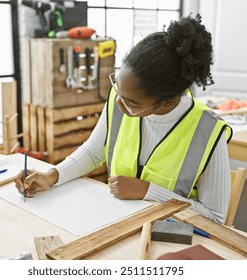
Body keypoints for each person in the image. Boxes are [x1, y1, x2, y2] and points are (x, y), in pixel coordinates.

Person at [15, 14, 233, 224]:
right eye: (117, 88)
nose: (120, 103)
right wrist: (52, 175)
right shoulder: (123, 97)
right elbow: (92, 152)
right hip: (116, 222)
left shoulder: (209, 132)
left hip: (169, 239)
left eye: (132, 103)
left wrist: (148, 191)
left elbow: (215, 217)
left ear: (166, 103)